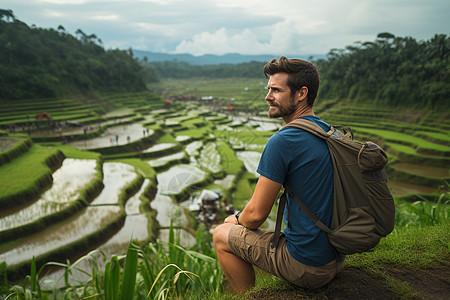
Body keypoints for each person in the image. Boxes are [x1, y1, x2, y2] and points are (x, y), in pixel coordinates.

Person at [213, 57, 345, 294]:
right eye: (268, 89)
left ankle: (250, 297)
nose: (268, 96)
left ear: (301, 93)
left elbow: (255, 216)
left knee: (221, 235)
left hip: (307, 266)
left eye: (276, 90)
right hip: (334, 258)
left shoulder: (284, 141)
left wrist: (235, 219)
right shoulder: (328, 131)